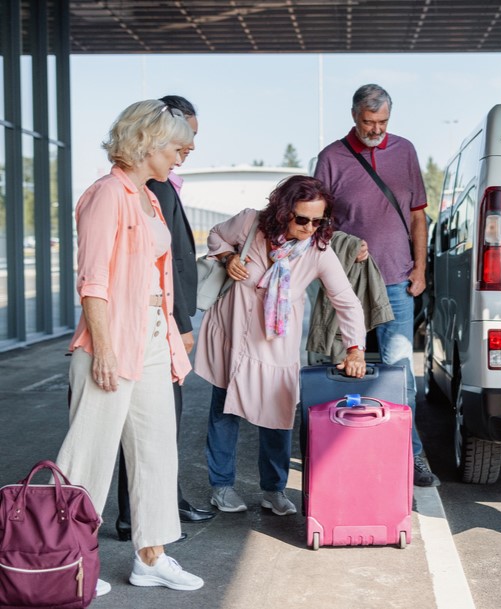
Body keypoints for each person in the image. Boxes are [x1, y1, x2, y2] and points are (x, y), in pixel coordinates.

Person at [55, 99, 204, 595]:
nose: (183, 155)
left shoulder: (150, 197)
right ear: (147, 142)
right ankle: (65, 559)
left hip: (153, 340)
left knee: (157, 451)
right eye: (177, 147)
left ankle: (151, 557)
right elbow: (92, 281)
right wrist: (104, 349)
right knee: (89, 456)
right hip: (113, 340)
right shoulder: (106, 195)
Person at [194, 175, 367, 516]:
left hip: (275, 344)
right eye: (302, 218)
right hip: (232, 331)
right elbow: (216, 235)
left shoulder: (318, 250)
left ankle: (273, 489)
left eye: (319, 221)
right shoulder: (251, 223)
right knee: (223, 411)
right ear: (284, 211)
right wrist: (228, 257)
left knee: (277, 417)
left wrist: (355, 348)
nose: (309, 227)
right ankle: (222, 486)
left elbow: (345, 300)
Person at [314, 83, 439, 487]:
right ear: (354, 116)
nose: (376, 129)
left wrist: (419, 269)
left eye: (383, 121)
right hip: (346, 285)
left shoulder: (405, 151)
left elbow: (418, 216)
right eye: (369, 122)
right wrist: (344, 247)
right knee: (339, 366)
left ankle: (410, 454)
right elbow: (319, 223)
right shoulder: (331, 158)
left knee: (399, 372)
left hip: (398, 281)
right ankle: (340, 450)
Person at [114, 95, 214, 544]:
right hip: (155, 324)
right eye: (181, 141)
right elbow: (161, 262)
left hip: (164, 321)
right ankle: (137, 514)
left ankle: (158, 505)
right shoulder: (140, 188)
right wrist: (182, 323)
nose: (188, 148)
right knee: (147, 425)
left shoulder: (160, 185)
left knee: (160, 422)